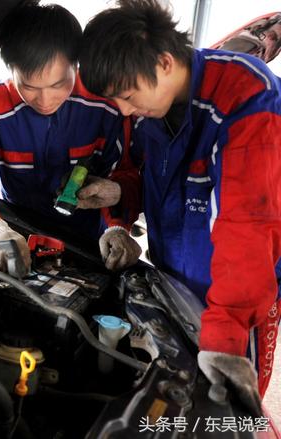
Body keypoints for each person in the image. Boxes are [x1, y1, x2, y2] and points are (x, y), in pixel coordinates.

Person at [78, 0, 281, 414]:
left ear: (165, 62)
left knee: (228, 408)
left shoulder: (247, 97)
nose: (124, 110)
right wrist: (118, 208)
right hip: (172, 277)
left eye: (127, 96)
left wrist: (226, 338)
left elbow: (250, 225)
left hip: (240, 299)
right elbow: (145, 174)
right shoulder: (150, 106)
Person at [0, 3, 141, 273]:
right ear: (11, 68)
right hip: (17, 237)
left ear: (77, 65)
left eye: (58, 84)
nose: (45, 100)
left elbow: (125, 172)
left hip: (88, 243)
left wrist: (118, 228)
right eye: (28, 86)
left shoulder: (107, 106)